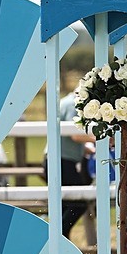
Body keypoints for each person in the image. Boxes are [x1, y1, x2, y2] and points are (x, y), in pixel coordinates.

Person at [44, 93, 96, 240]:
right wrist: (101, 138)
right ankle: (57, 236)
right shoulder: (74, 104)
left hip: (60, 159)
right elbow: (75, 134)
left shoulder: (67, 102)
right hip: (62, 161)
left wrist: (88, 148)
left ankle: (59, 239)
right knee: (80, 201)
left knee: (67, 205)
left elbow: (68, 137)